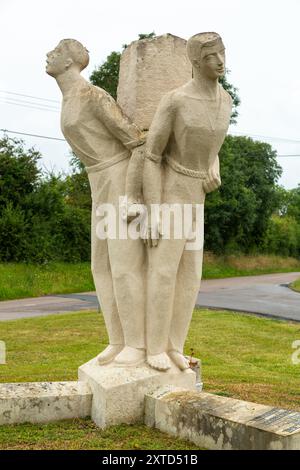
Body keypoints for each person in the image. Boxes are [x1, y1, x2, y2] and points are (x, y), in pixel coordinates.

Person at [46, 39, 146, 366]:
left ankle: (136, 343)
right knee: (99, 265)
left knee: (123, 265)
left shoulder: (92, 95)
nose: (49, 55)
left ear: (70, 61)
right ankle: (117, 340)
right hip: (97, 181)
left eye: (56, 52)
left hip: (118, 177)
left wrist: (135, 194)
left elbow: (135, 141)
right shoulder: (68, 99)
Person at [141, 32, 233, 371]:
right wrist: (153, 213)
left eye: (222, 53)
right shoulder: (176, 100)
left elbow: (214, 145)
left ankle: (174, 346)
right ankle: (153, 348)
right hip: (172, 192)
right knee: (164, 271)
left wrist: (214, 165)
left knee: (191, 274)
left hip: (198, 198)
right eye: (212, 56)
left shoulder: (226, 101)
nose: (221, 61)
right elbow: (152, 156)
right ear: (195, 61)